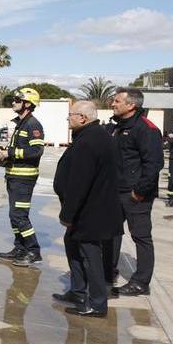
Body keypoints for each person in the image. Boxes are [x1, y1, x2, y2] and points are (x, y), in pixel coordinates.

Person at [53, 100, 122, 317]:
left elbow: (79, 183)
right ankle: (78, 292)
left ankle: (97, 304)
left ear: (83, 118)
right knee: (72, 245)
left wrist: (68, 214)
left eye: (71, 115)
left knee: (90, 256)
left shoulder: (89, 141)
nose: (68, 118)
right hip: (90, 207)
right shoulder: (95, 136)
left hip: (89, 210)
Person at [108, 88, 164, 297]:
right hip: (116, 191)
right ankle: (108, 271)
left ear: (131, 105)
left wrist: (139, 192)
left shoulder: (146, 129)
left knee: (141, 237)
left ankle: (141, 282)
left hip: (136, 194)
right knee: (111, 233)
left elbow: (154, 164)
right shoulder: (118, 127)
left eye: (117, 101)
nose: (113, 104)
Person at [0, 87, 46, 267]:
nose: (13, 102)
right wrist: (2, 152)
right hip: (14, 177)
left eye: (17, 100)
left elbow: (36, 151)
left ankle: (33, 250)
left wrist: (10, 153)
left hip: (24, 179)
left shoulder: (33, 124)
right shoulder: (21, 123)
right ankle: (20, 248)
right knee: (14, 216)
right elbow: (17, 150)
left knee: (19, 216)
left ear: (28, 104)